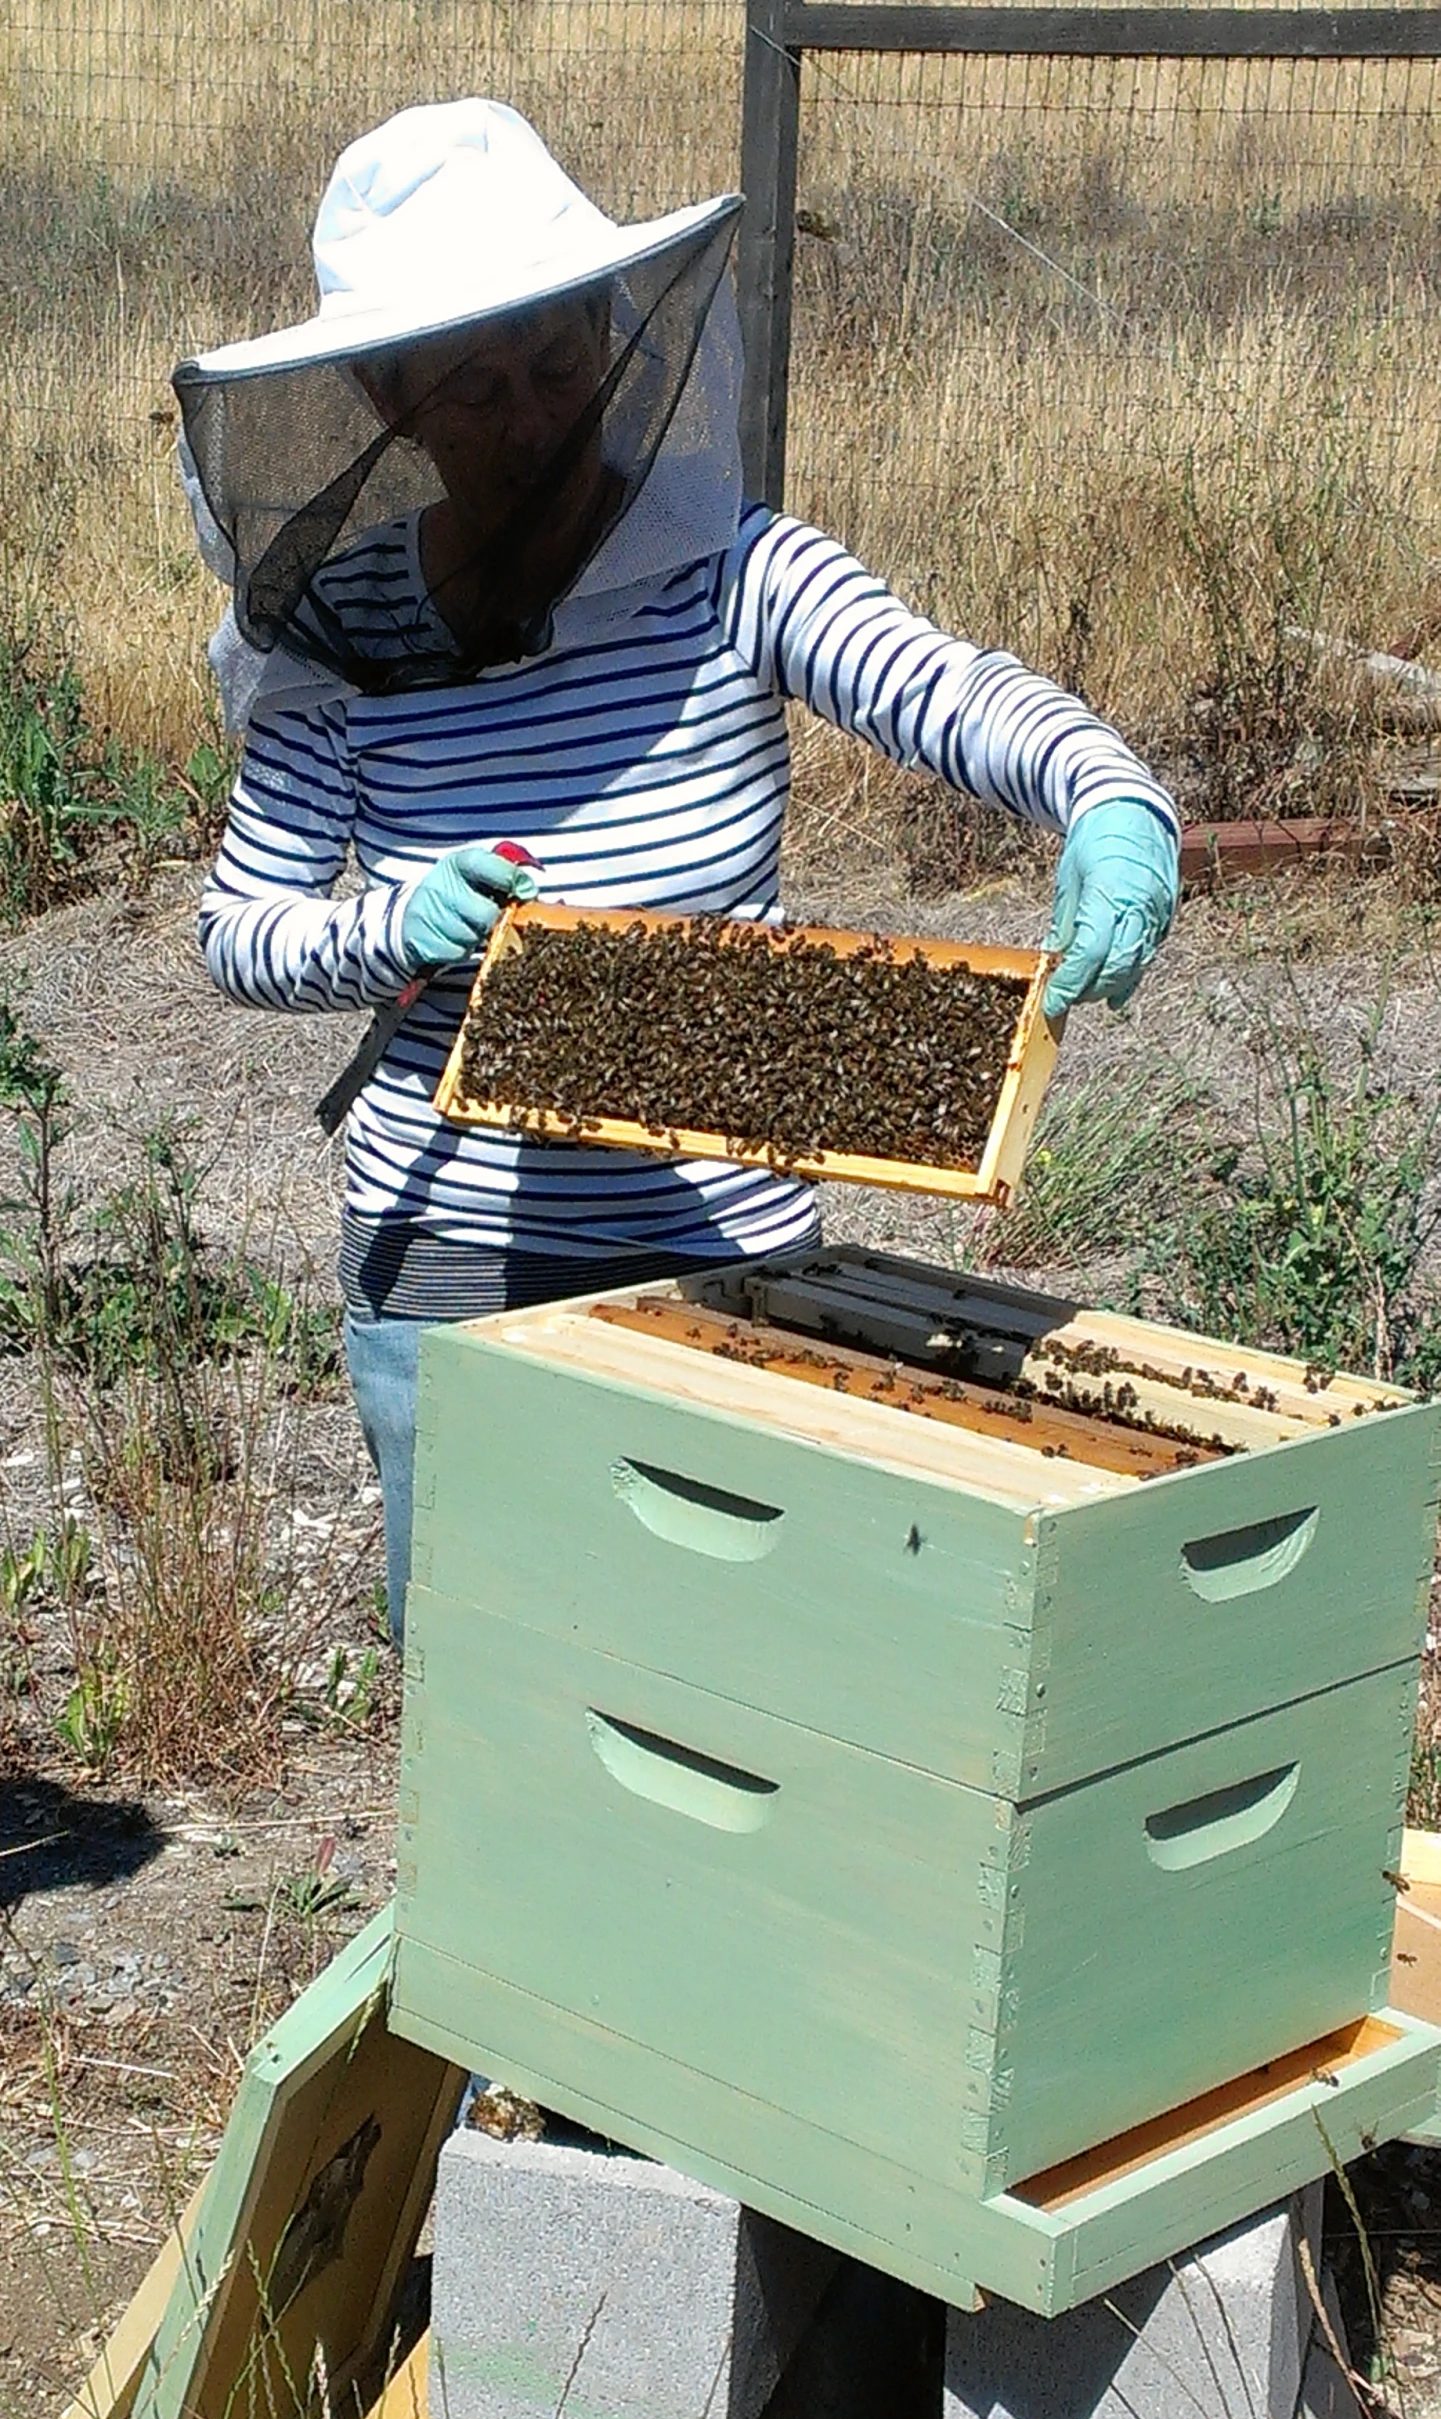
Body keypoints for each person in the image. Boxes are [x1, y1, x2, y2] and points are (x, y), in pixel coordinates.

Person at [180, 99, 1181, 1645]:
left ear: (616, 341)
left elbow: (953, 690)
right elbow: (238, 927)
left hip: (719, 1239)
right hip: (448, 1247)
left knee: (728, 1677)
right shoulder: (336, 632)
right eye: (479, 386)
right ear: (391, 399)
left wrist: (1110, 794)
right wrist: (392, 926)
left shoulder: (733, 571)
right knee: (488, 1680)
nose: (529, 418)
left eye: (560, 365)